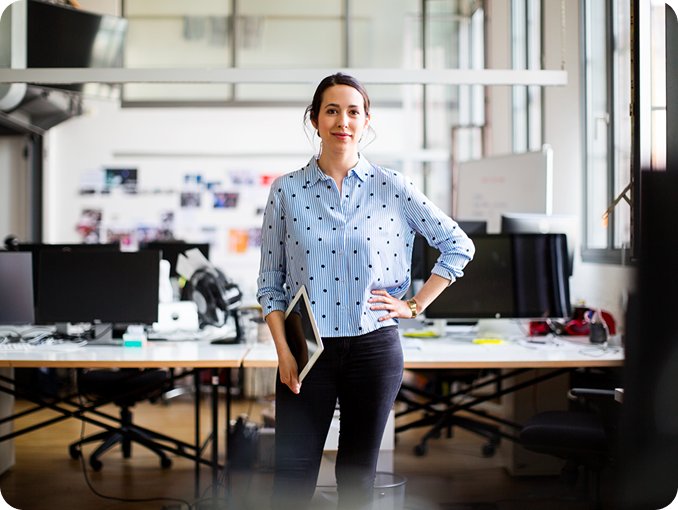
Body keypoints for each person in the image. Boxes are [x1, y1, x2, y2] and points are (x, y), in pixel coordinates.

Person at [257, 73, 475, 510]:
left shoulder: (392, 186)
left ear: (366, 120)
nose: (343, 120)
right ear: (315, 120)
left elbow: (458, 245)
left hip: (373, 347)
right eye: (332, 110)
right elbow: (270, 284)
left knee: (357, 476)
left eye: (353, 111)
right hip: (307, 349)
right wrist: (283, 351)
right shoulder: (286, 191)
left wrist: (415, 304)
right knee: (292, 477)